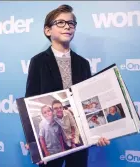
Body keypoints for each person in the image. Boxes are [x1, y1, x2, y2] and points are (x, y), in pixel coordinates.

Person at [25, 4, 110, 167]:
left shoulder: (83, 63)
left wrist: (98, 132)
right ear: (48, 31)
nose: (67, 26)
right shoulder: (38, 61)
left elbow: (89, 102)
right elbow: (29, 99)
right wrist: (33, 141)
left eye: (71, 23)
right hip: (52, 139)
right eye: (61, 23)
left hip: (79, 137)